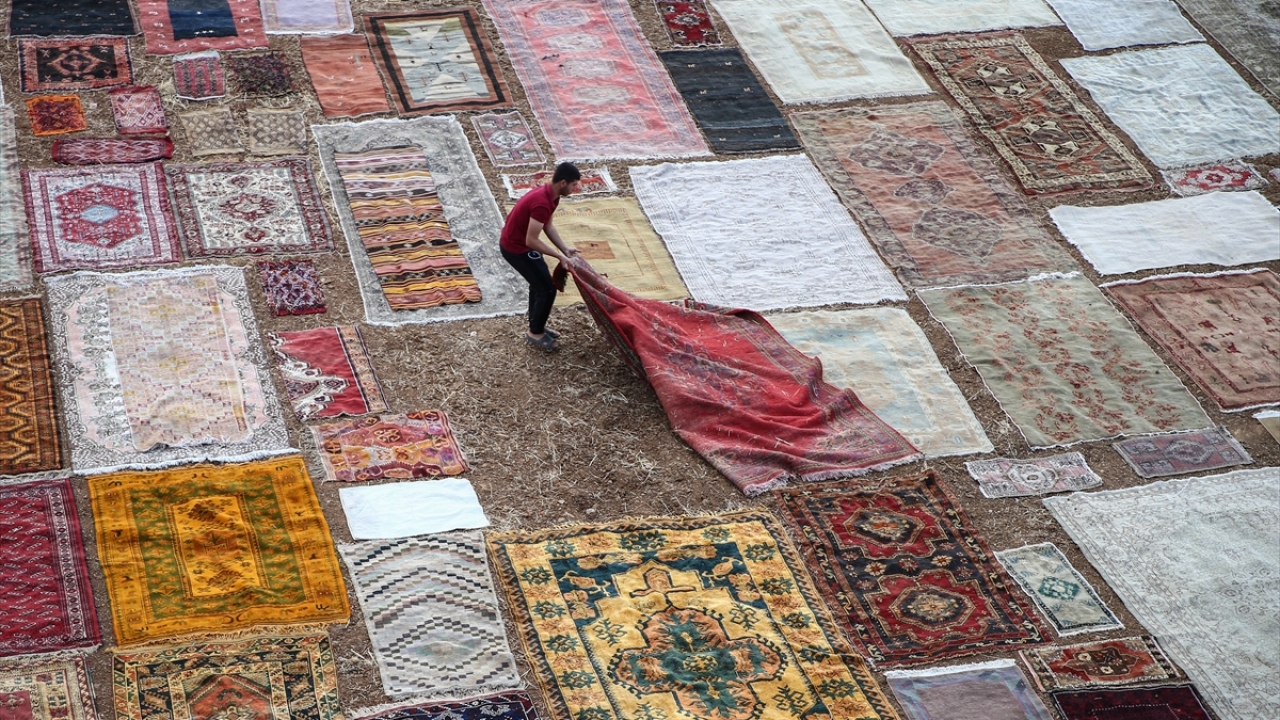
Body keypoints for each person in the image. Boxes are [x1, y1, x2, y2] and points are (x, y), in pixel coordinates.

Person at [500, 161, 582, 351]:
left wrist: (564, 249)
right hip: (515, 248)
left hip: (521, 244)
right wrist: (559, 257)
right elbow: (531, 240)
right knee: (547, 288)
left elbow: (548, 226)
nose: (574, 188)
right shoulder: (542, 203)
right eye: (573, 184)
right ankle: (535, 332)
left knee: (540, 283)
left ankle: (535, 323)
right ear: (563, 182)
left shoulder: (552, 196)